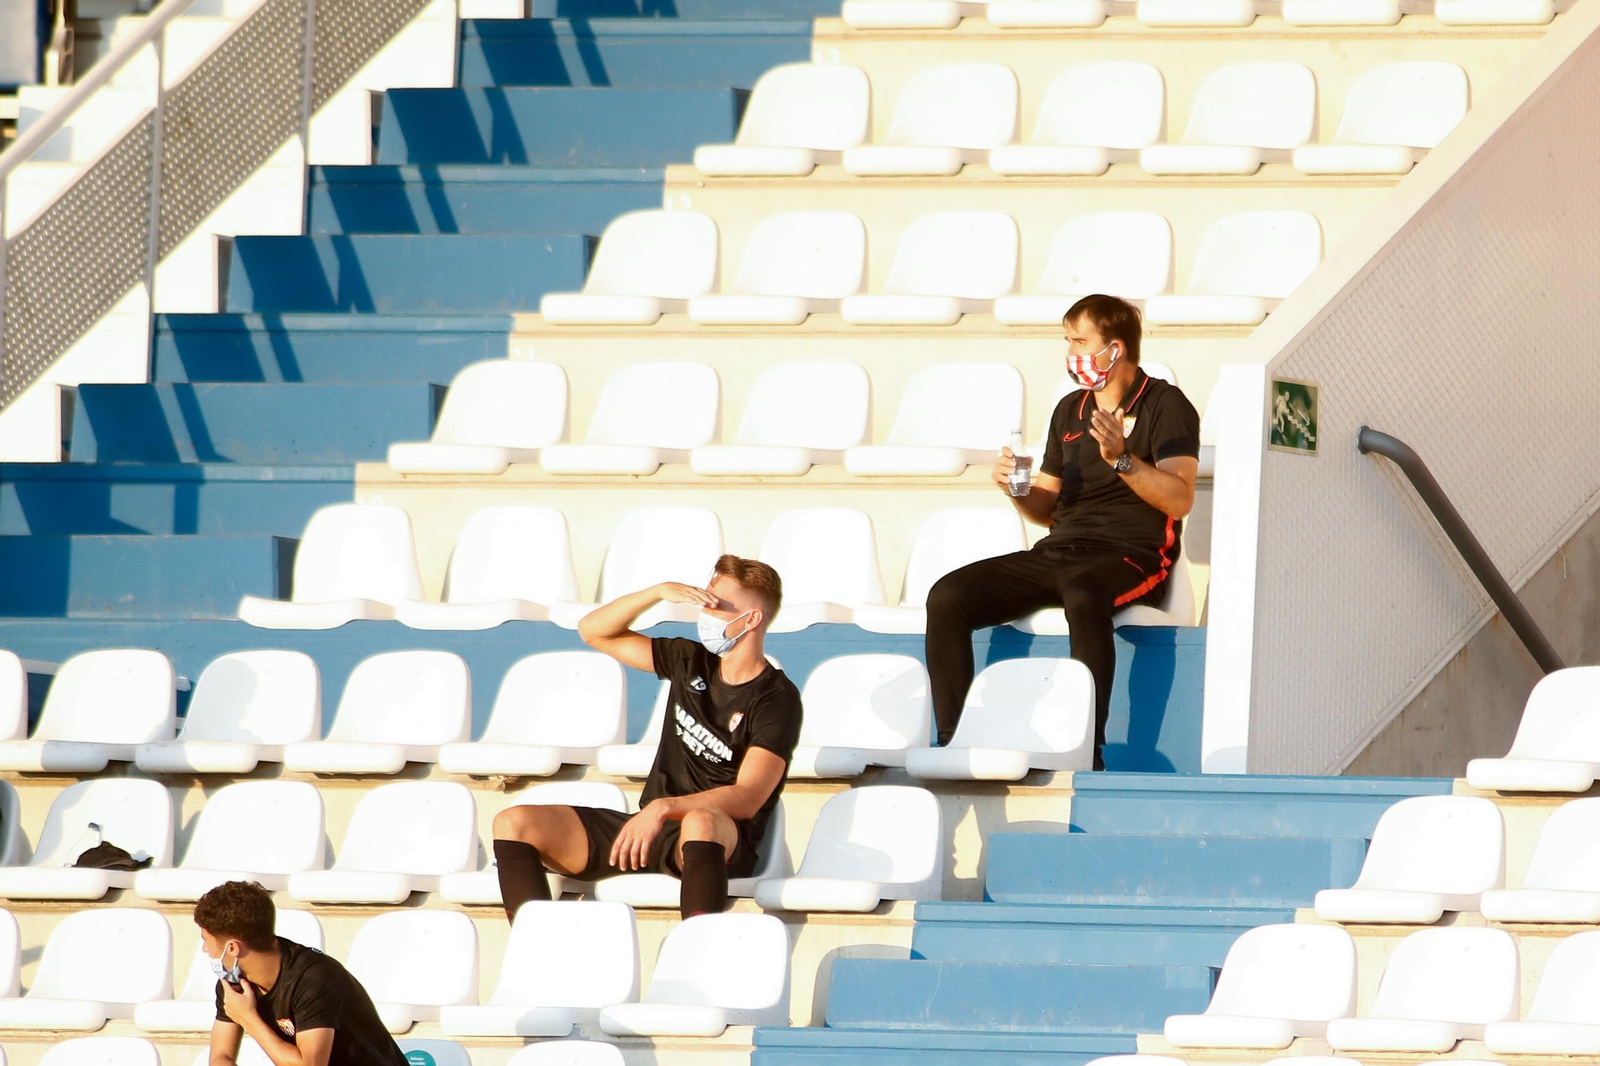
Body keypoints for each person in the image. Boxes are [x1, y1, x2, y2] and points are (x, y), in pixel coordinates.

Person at [925, 294, 1200, 770]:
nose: (1071, 352)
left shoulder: (1166, 404)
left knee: (1083, 592)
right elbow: (1047, 507)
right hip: (1060, 548)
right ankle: (954, 739)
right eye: (1068, 340)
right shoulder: (1069, 408)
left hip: (1133, 553)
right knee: (948, 595)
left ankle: (1085, 748)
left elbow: (1180, 498)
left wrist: (1122, 458)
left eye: (1079, 341)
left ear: (1114, 349)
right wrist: (1017, 489)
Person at [492, 555, 802, 923]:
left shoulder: (776, 698)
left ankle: (698, 956)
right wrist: (656, 593)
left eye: (715, 606)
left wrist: (663, 808)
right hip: (651, 830)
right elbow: (594, 631)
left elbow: (748, 797)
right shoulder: (690, 660)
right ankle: (535, 950)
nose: (703, 613)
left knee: (700, 820)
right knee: (514, 823)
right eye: (703, 599)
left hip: (717, 840)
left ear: (751, 620)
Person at [199, 880, 406, 1066]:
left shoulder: (315, 978)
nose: (205, 950)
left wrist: (248, 1018)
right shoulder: (234, 982)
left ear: (233, 948)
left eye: (206, 941)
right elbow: (220, 1058)